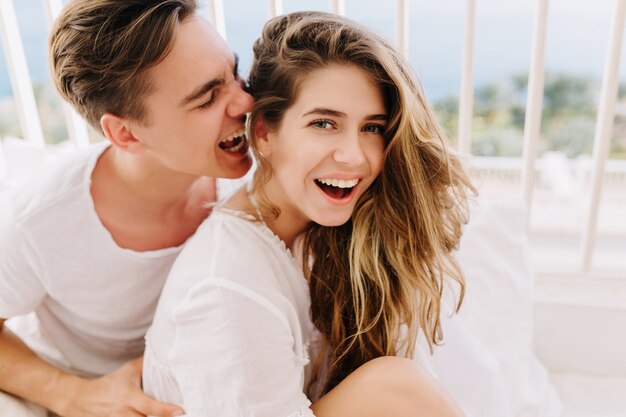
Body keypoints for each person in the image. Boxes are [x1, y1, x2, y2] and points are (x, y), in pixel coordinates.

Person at [143, 11, 473, 416]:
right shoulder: (225, 289)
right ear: (263, 132)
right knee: (397, 387)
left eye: (372, 128)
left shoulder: (337, 236)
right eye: (324, 123)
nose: (354, 156)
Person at [0, 1, 253, 416]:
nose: (244, 103)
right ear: (125, 133)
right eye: (208, 98)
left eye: (235, 74)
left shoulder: (258, 170)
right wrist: (73, 396)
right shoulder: (37, 222)